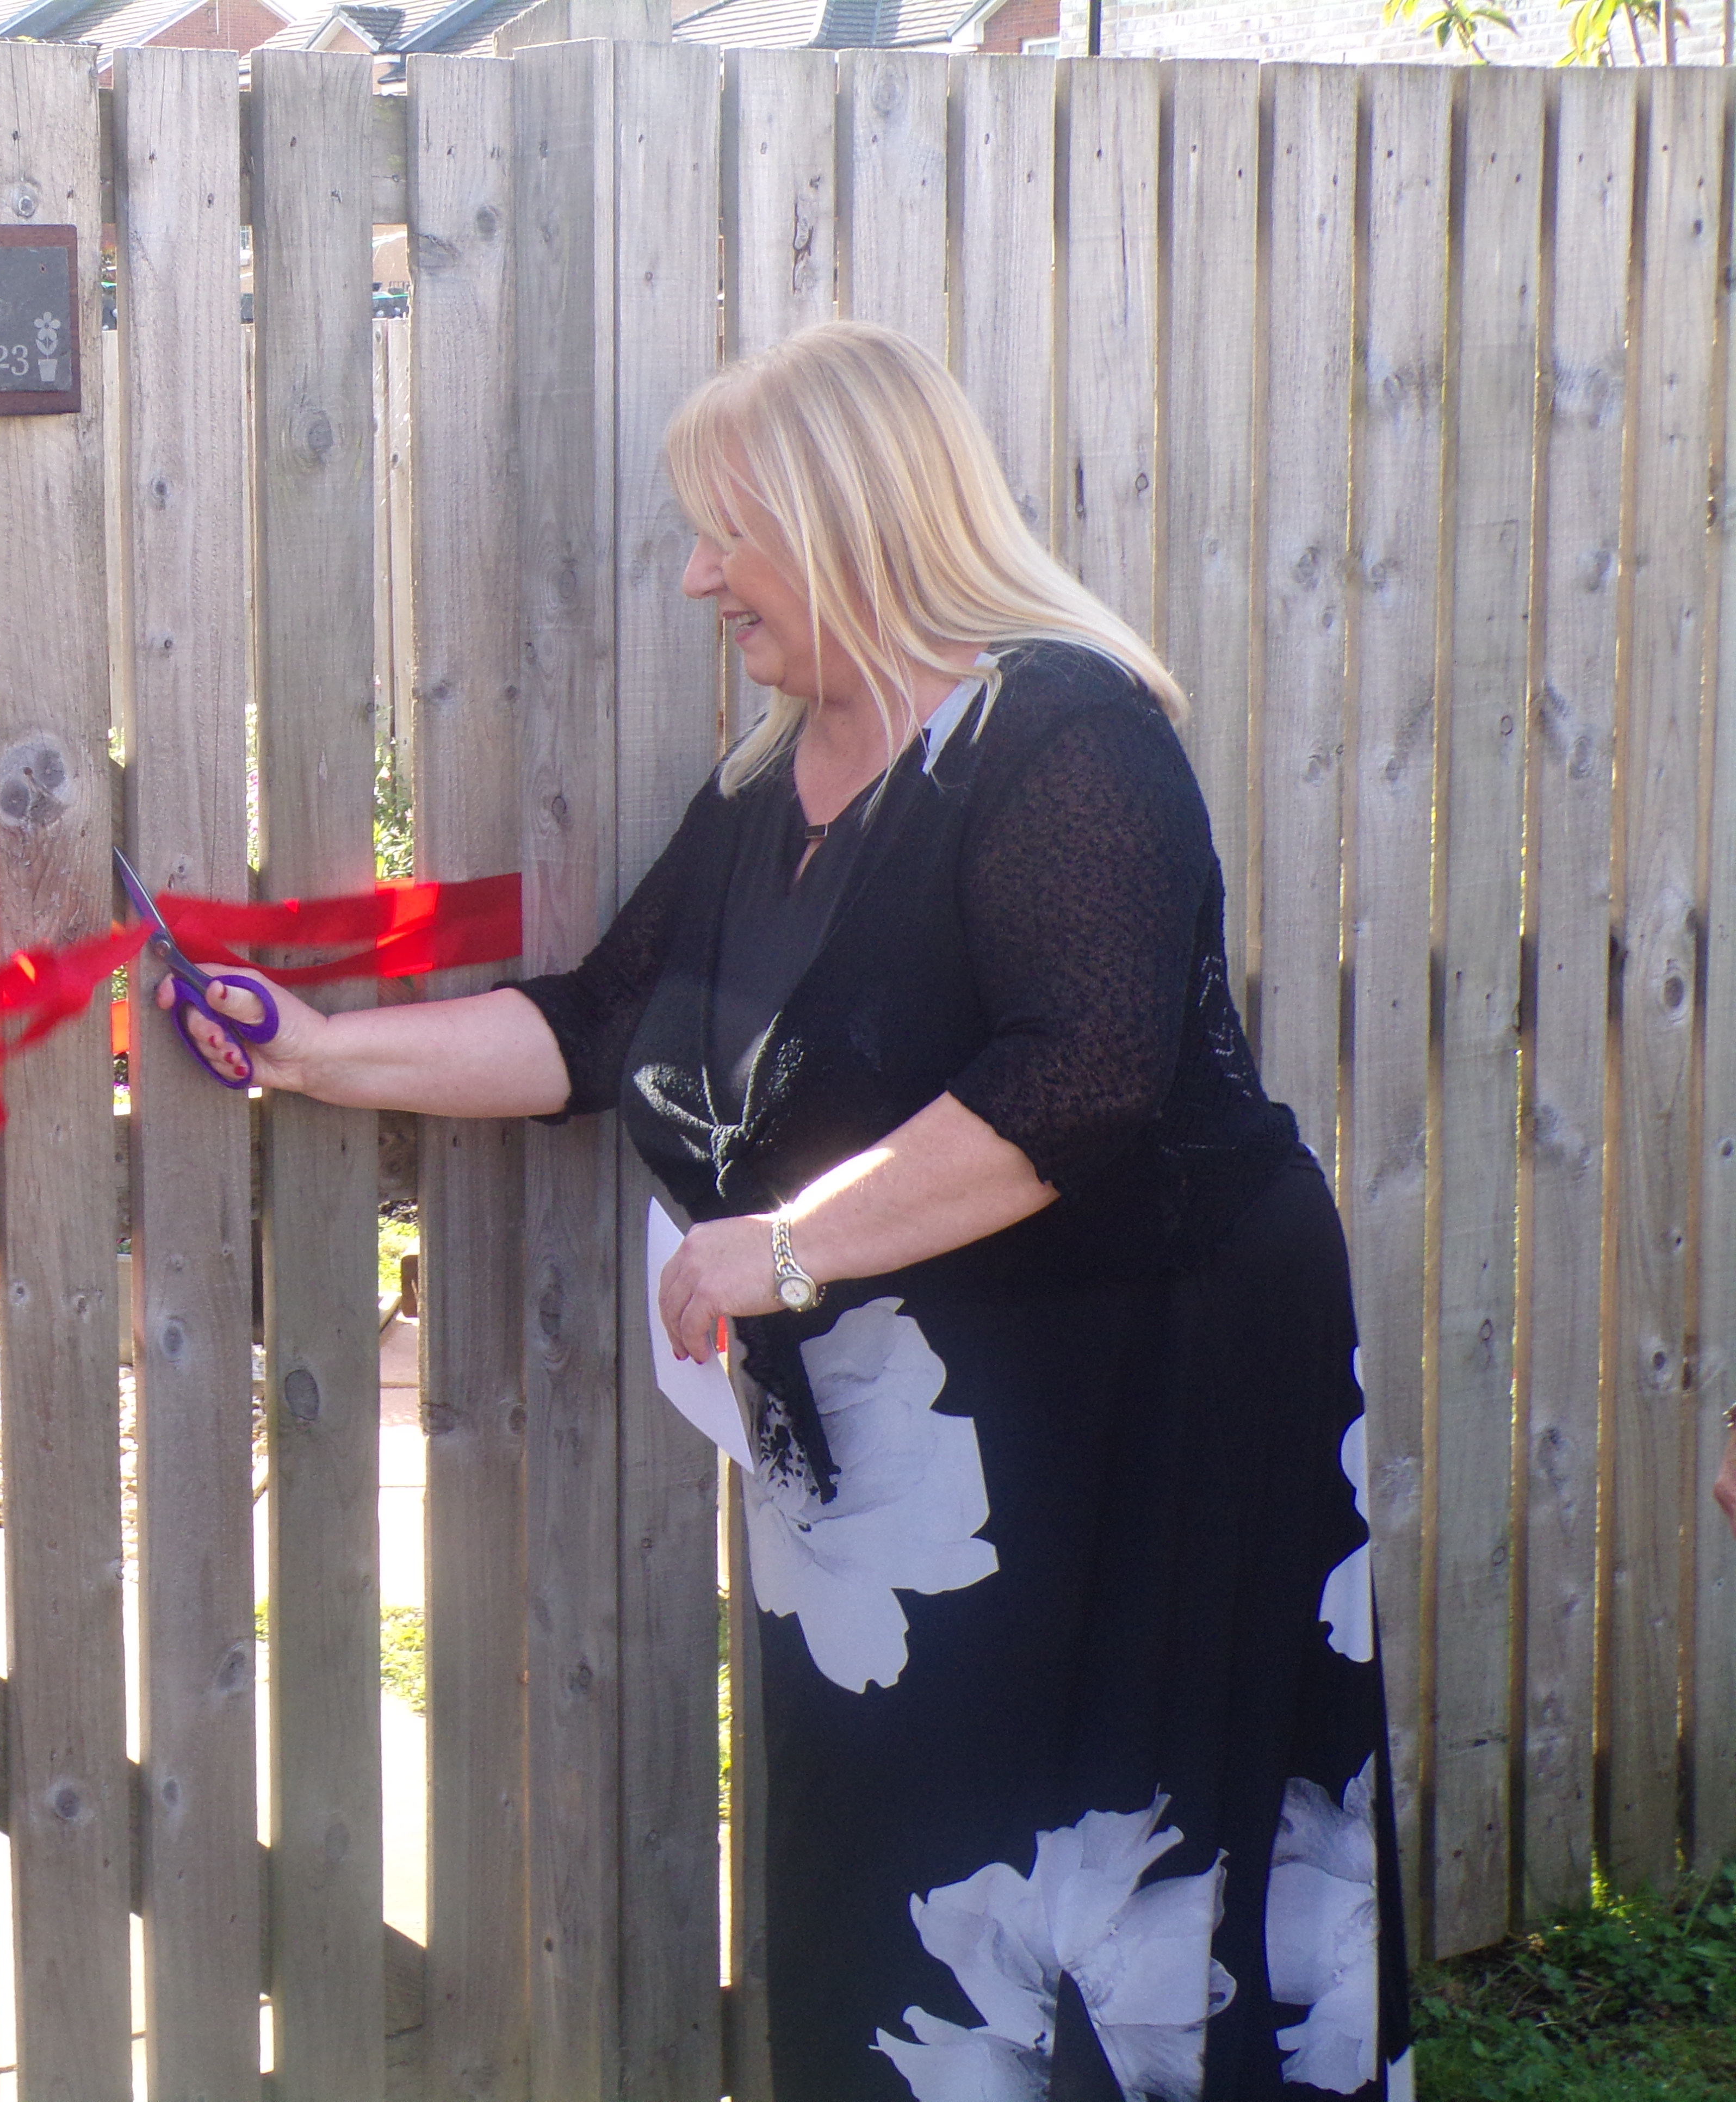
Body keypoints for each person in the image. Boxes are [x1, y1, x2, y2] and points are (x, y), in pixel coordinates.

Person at [168, 320, 1407, 2099]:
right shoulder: (773, 783)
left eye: (725, 532)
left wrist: (795, 1242)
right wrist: (308, 1051)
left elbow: (1092, 1073)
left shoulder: (1062, 734)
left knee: (1138, 1856)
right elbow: (598, 1023)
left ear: (849, 520)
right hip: (915, 1434)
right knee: (902, 1841)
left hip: (1154, 1395)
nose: (695, 576)